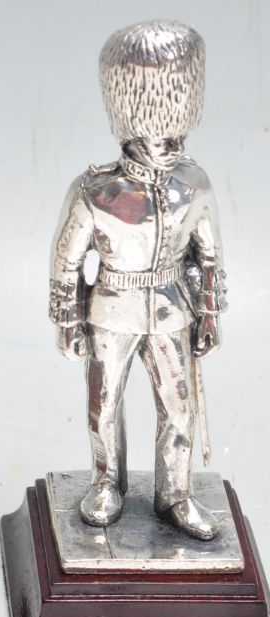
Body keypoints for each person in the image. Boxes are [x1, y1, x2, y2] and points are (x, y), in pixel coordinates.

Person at [49, 21, 227, 540]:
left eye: (176, 135)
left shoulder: (194, 185)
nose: (171, 145)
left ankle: (176, 493)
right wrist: (68, 323)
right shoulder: (95, 191)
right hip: (110, 309)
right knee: (103, 406)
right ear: (132, 126)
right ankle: (107, 482)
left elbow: (210, 256)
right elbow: (65, 263)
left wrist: (210, 315)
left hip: (173, 309)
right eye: (160, 135)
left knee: (180, 409)